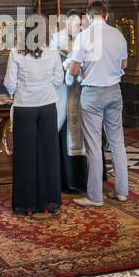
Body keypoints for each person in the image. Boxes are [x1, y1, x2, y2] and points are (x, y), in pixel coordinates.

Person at [66, 0, 129, 206]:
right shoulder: (118, 35)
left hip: (92, 93)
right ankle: (121, 191)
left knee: (93, 145)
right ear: (107, 15)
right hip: (114, 91)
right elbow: (124, 64)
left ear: (88, 16)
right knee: (117, 142)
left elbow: (74, 69)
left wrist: (79, 72)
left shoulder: (84, 36)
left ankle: (95, 196)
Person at [5, 23, 65, 215]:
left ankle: (25, 204)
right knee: (48, 154)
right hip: (47, 106)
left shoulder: (16, 52)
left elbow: (9, 83)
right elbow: (58, 80)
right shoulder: (52, 52)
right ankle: (49, 201)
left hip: (24, 107)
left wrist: (21, 91)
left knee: (25, 155)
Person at [51, 10, 87, 192]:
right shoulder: (55, 41)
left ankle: (83, 180)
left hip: (83, 95)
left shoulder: (85, 40)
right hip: (63, 95)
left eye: (82, 25)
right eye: (78, 25)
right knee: (65, 133)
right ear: (67, 24)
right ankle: (66, 179)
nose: (81, 28)